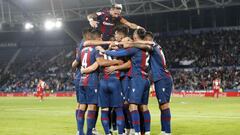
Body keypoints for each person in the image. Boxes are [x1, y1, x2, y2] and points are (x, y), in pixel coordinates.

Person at [104, 29, 151, 135]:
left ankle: (137, 131)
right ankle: (146, 132)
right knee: (143, 106)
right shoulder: (145, 47)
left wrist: (104, 51)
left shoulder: (134, 48)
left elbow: (122, 52)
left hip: (137, 77)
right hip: (145, 77)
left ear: (134, 37)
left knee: (132, 106)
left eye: (128, 40)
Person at [94, 29, 127, 135]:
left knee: (104, 109)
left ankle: (108, 133)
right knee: (118, 109)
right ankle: (121, 133)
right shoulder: (120, 52)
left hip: (103, 81)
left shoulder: (99, 51)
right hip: (115, 81)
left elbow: (100, 63)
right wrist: (116, 62)